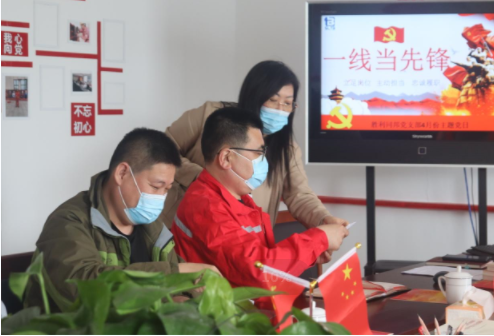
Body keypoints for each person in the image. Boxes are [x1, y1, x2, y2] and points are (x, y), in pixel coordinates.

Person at [161, 61, 348, 258]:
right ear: (254, 96)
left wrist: (323, 219)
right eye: (273, 100)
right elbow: (163, 149)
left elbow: (299, 195)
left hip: (244, 246)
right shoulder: (212, 117)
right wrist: (201, 178)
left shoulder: (288, 148)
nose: (279, 109)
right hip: (187, 234)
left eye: (287, 103)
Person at [25, 128, 219, 312]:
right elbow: (83, 287)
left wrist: (185, 296)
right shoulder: (68, 222)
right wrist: (175, 272)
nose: (160, 197)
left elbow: (180, 286)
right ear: (122, 173)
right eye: (155, 186)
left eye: (166, 189)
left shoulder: (153, 229)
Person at [172, 107, 348, 288]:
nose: (264, 160)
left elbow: (262, 260)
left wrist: (310, 254)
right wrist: (319, 239)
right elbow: (259, 271)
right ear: (226, 158)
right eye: (258, 153)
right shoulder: (206, 207)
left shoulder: (239, 199)